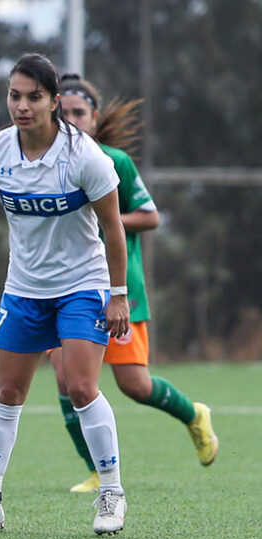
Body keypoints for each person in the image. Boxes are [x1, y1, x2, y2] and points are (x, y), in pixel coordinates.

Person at [0, 54, 131, 536]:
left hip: (82, 286)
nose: (22, 105)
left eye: (34, 97)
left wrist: (117, 295)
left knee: (80, 387)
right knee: (7, 393)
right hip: (24, 290)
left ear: (55, 101)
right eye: (15, 95)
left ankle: (112, 493)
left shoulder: (84, 157)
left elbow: (113, 229)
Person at [50, 73, 218, 493]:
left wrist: (103, 220)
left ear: (93, 117)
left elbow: (150, 216)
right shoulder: (46, 161)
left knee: (134, 385)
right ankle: (94, 468)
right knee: (66, 379)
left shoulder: (113, 161)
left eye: (78, 113)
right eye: (63, 113)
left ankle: (193, 415)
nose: (70, 120)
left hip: (118, 288)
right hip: (65, 287)